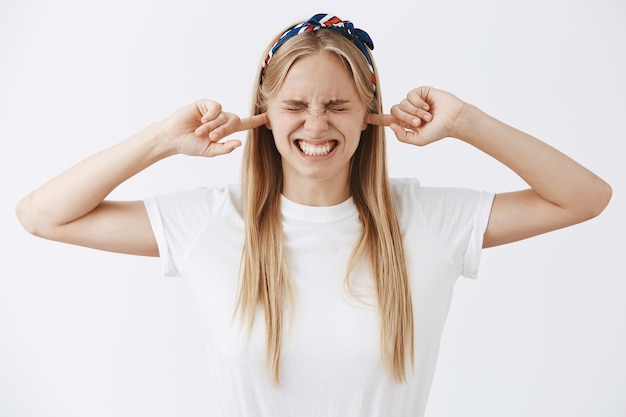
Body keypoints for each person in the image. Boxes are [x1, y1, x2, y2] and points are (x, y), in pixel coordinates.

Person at [15, 13, 611, 417]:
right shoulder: (210, 222)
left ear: (369, 114)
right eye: (295, 105)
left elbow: (585, 197)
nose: (317, 125)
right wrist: (162, 139)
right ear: (263, 115)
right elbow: (43, 216)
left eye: (338, 105)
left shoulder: (427, 220)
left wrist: (464, 122)